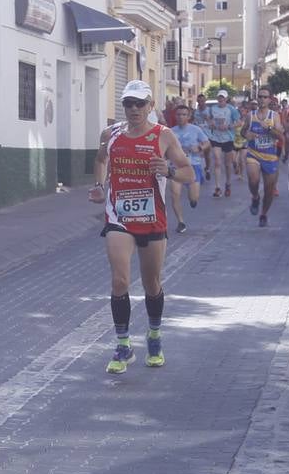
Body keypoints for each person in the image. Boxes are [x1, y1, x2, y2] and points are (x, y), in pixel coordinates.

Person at [89, 79, 195, 372]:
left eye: (140, 104)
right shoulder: (109, 134)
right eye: (128, 103)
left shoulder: (164, 136)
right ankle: (123, 345)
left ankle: (154, 335)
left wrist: (170, 170)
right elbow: (100, 160)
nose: (134, 109)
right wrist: (99, 185)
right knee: (120, 281)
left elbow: (188, 173)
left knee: (151, 283)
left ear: (150, 106)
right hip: (119, 219)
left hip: (152, 220)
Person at [244, 87, 285, 227]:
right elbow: (244, 131)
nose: (262, 99)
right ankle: (255, 197)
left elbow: (280, 136)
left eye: (265, 97)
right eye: (260, 97)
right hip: (253, 153)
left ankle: (263, 214)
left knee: (269, 190)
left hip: (270, 155)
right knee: (253, 179)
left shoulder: (274, 116)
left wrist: (268, 128)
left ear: (269, 99)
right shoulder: (251, 115)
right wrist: (247, 135)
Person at [167, 103, 208, 233]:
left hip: (193, 166)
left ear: (189, 116)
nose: (180, 117)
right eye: (178, 114)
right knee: (175, 194)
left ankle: (193, 200)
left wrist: (200, 147)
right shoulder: (170, 132)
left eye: (184, 114)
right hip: (176, 167)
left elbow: (207, 143)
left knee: (194, 198)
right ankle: (181, 222)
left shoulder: (196, 130)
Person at [203, 90, 239, 197]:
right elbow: (208, 118)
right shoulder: (212, 109)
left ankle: (228, 184)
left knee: (227, 164)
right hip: (215, 138)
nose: (221, 99)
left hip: (228, 138)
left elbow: (239, 122)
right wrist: (211, 123)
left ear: (226, 99)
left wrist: (228, 127)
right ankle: (218, 187)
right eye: (219, 97)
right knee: (217, 162)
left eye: (223, 97)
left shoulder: (231, 109)